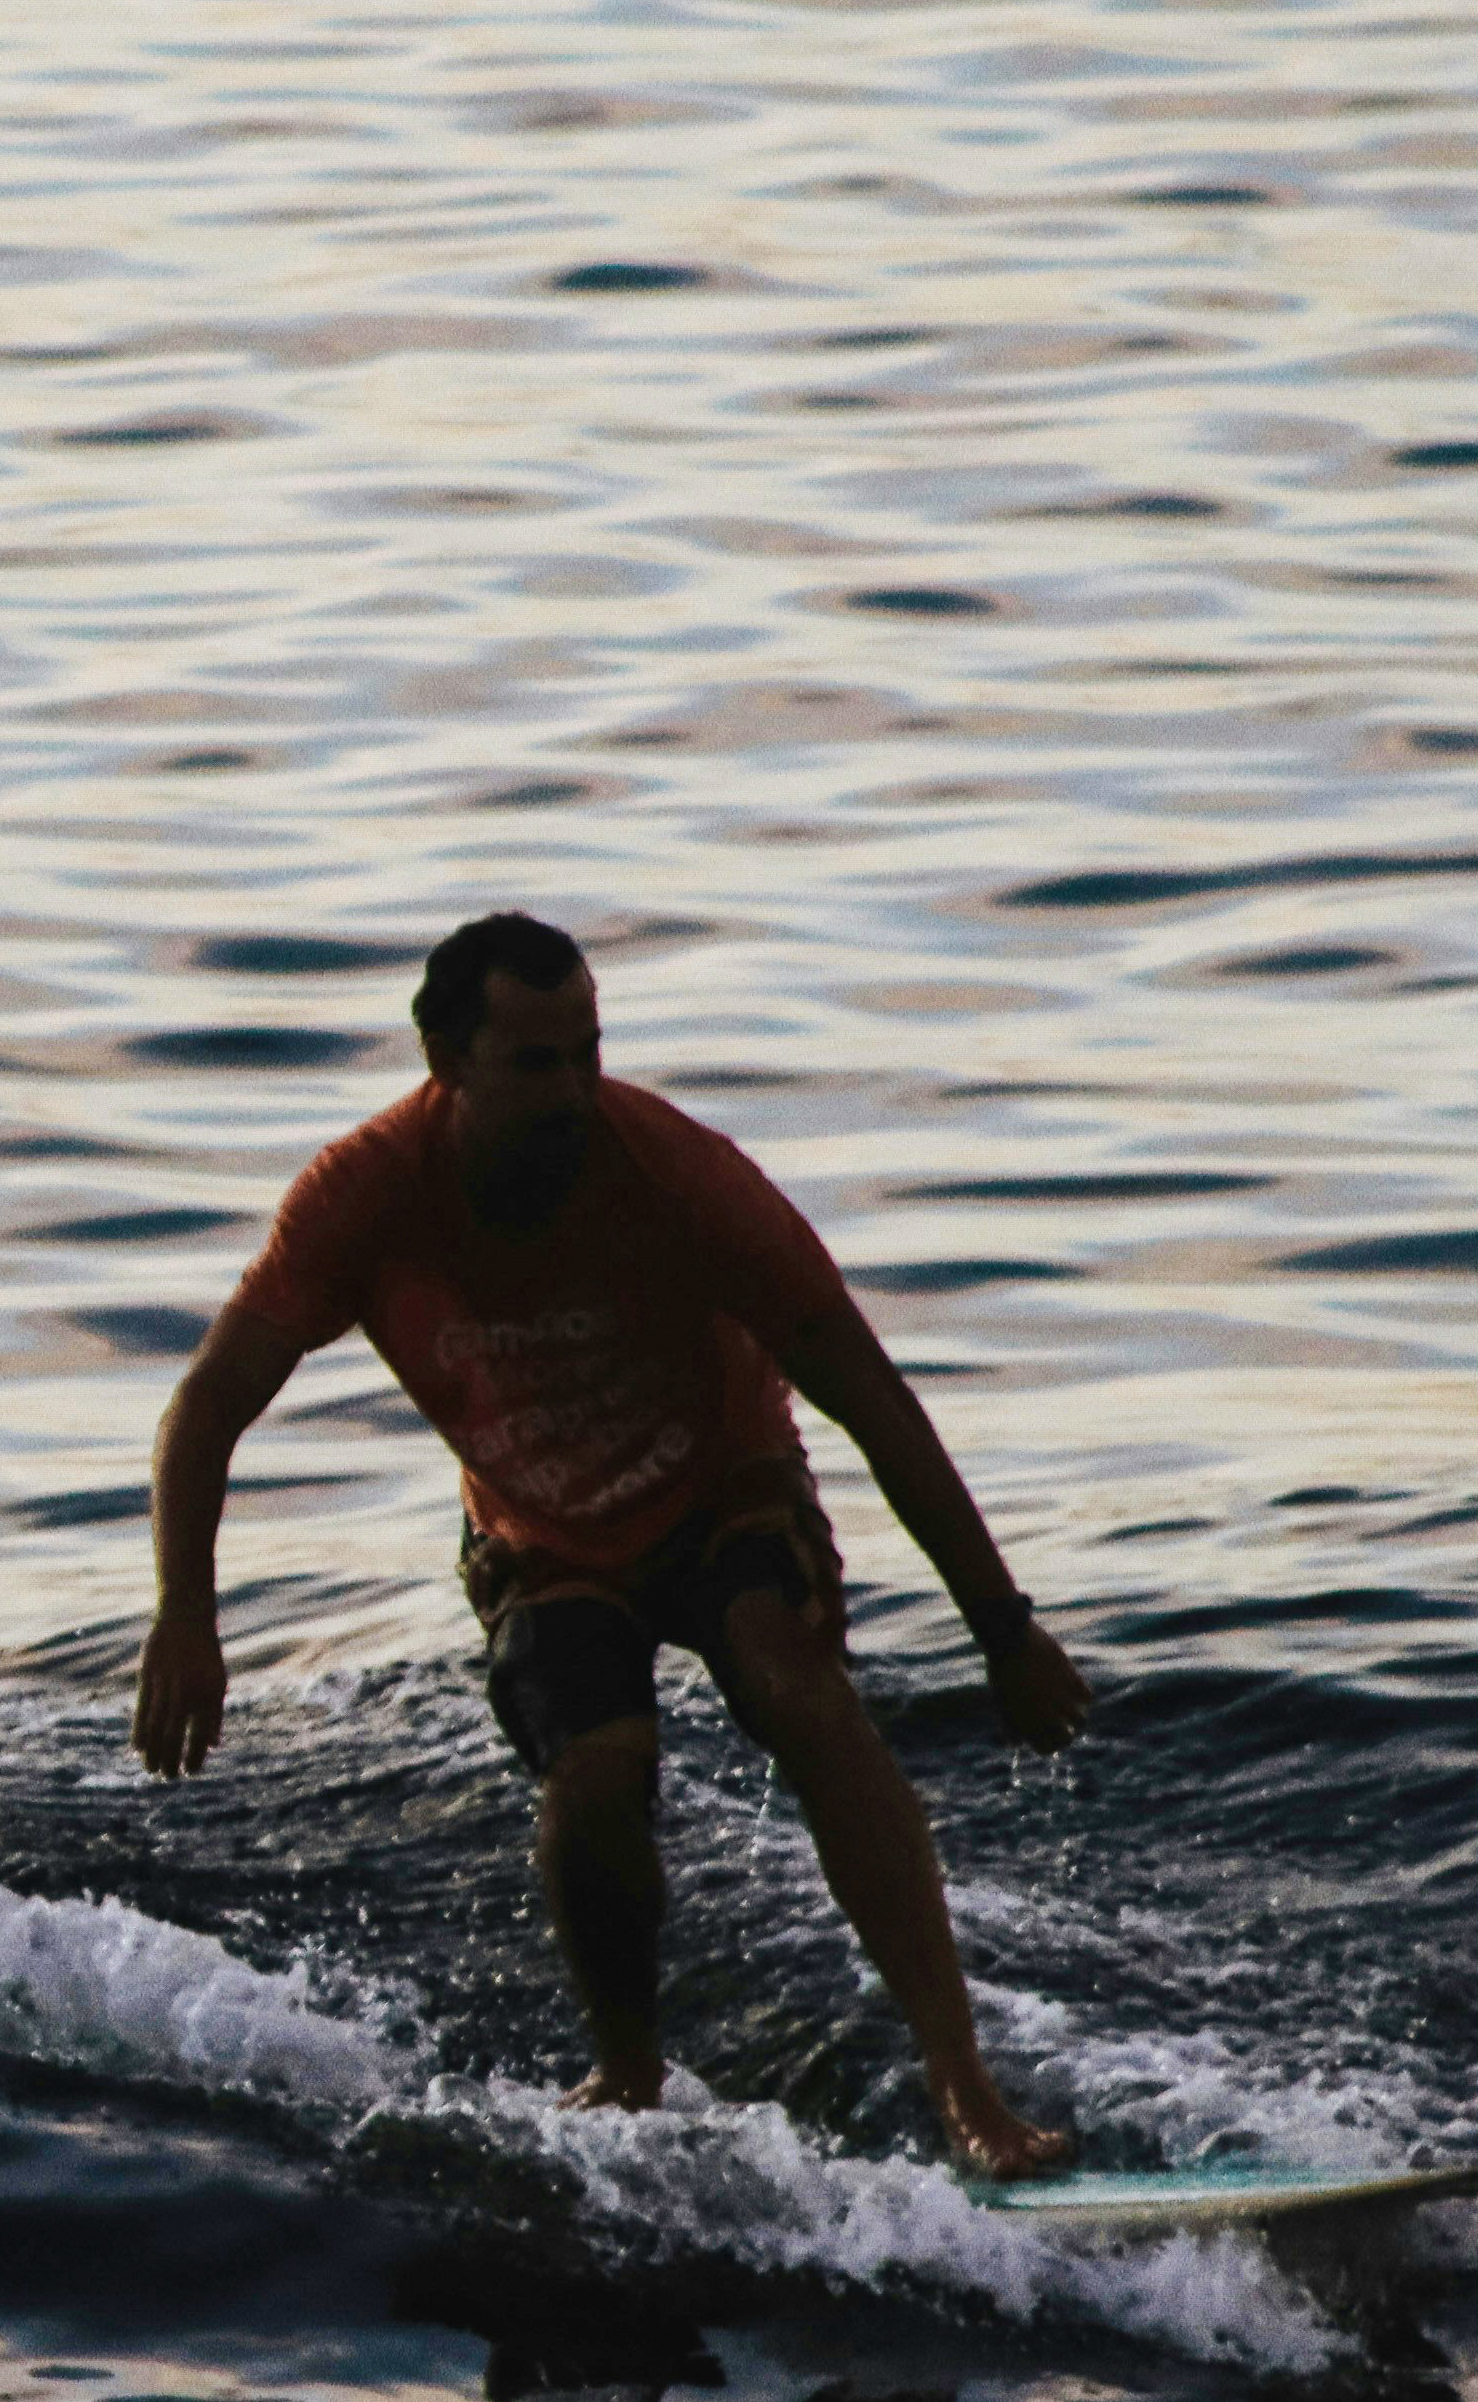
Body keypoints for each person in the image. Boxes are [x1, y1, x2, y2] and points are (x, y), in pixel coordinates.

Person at [129, 915, 1085, 2173]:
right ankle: (629, 2074)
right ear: (445, 1059)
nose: (574, 1092)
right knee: (594, 1772)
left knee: (786, 1676)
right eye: (536, 1065)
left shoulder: (680, 1177)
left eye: (589, 1052)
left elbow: (869, 1394)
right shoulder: (361, 1197)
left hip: (724, 1484)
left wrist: (1003, 1629)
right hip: (544, 1536)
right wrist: (186, 1615)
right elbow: (207, 1404)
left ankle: (968, 2093)